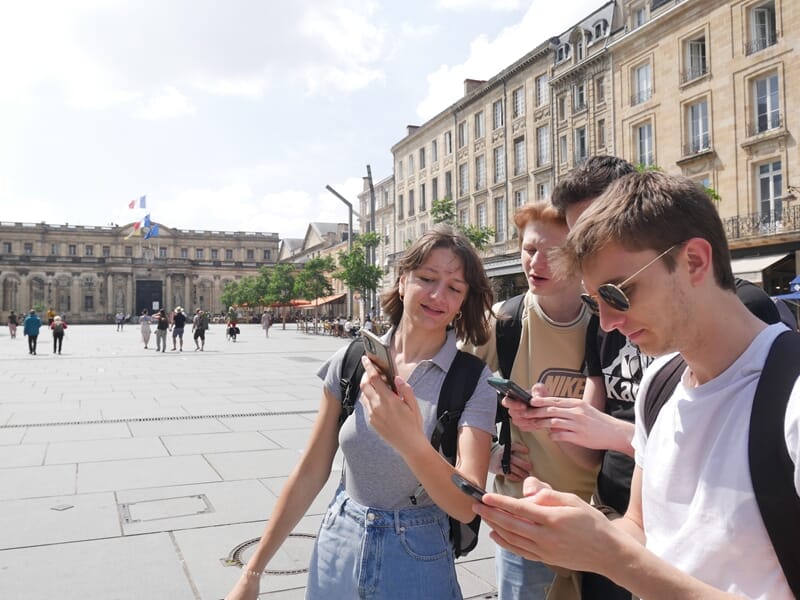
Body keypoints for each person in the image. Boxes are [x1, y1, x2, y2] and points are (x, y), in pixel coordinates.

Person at [475, 171, 800, 598]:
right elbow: (643, 528)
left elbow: (632, 556)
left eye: (619, 293)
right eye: (595, 301)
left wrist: (611, 555)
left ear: (694, 261)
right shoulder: (659, 386)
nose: (607, 323)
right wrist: (579, 530)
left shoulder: (790, 396)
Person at [224, 224, 497, 600]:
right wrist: (253, 571)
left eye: (454, 287)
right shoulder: (353, 360)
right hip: (340, 541)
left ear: (464, 301)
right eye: (427, 278)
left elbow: (467, 506)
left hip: (418, 553)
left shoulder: (473, 380)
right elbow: (310, 471)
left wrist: (411, 442)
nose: (438, 294)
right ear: (403, 281)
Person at [459, 203, 594, 600]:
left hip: (600, 521)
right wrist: (493, 454)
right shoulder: (502, 322)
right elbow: (451, 402)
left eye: (552, 251)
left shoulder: (611, 326)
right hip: (524, 523)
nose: (535, 262)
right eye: (528, 248)